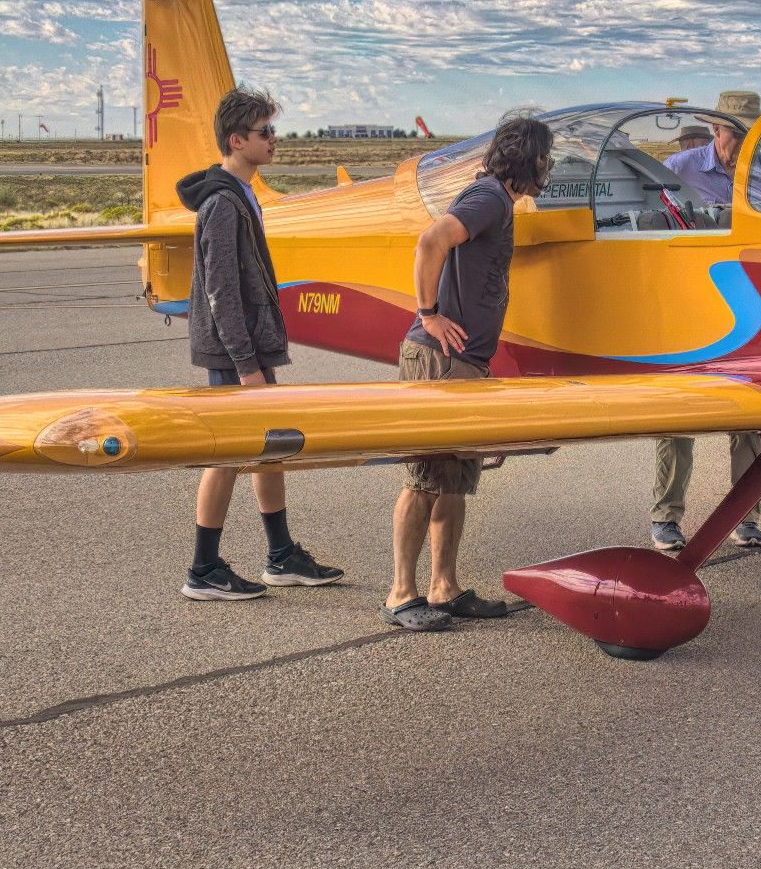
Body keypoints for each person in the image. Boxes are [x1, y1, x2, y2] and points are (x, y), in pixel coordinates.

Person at [381, 112, 554, 631]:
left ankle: (444, 587)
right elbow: (431, 242)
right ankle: (399, 594)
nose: (548, 165)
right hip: (439, 359)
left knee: (454, 480)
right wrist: (428, 314)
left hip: (464, 362)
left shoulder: (496, 198)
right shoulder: (490, 199)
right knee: (425, 478)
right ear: (528, 160)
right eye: (544, 156)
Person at [175, 88, 343, 600]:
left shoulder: (240, 195)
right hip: (234, 350)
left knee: (269, 447)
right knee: (226, 453)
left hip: (246, 346)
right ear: (237, 140)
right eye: (265, 132)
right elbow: (221, 291)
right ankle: (203, 570)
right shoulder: (223, 204)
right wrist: (247, 364)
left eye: (273, 129)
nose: (274, 139)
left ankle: (280, 554)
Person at [649, 90, 761, 551]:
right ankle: (666, 518)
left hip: (751, 310)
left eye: (753, 134)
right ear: (716, 130)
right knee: (677, 418)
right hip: (689, 308)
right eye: (736, 132)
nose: (743, 143)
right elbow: (647, 225)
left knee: (749, 417)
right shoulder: (681, 168)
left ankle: (746, 517)